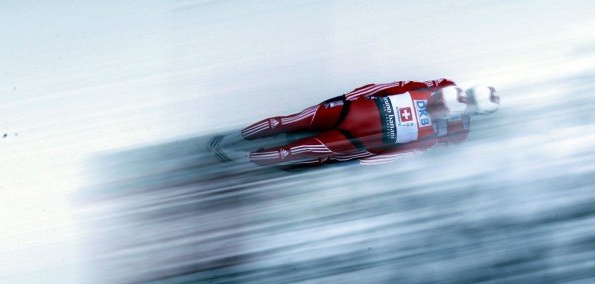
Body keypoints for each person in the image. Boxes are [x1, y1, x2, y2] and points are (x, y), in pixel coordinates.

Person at [208, 78, 500, 166]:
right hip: (356, 122)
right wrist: (348, 97)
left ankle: (237, 151)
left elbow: (411, 149)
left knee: (292, 142)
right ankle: (238, 145)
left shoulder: (454, 132)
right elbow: (392, 87)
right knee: (292, 127)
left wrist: (367, 159)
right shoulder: (443, 86)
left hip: (356, 131)